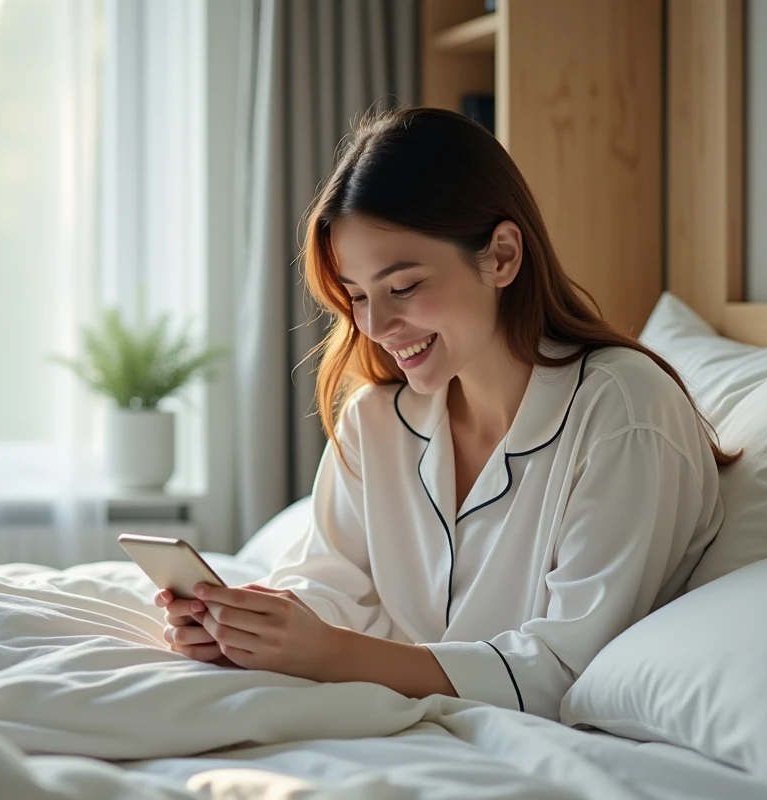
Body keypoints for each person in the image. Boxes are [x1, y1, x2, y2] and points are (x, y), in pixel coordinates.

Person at [153, 106, 735, 719]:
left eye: (403, 287)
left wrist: (328, 655)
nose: (374, 326)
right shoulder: (374, 420)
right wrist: (248, 629)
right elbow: (330, 584)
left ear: (502, 256)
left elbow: (564, 669)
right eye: (356, 297)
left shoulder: (624, 412)